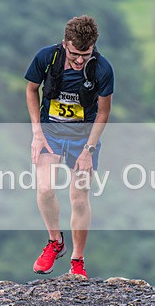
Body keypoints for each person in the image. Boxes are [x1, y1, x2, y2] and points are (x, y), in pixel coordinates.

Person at [25, 15, 114, 279]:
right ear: (65, 43)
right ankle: (55, 242)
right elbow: (32, 90)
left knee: (79, 198)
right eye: (74, 53)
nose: (78, 60)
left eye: (85, 55)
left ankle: (77, 260)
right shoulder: (46, 58)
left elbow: (103, 113)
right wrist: (36, 133)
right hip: (49, 132)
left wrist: (88, 150)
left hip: (83, 137)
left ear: (93, 47)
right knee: (44, 189)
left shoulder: (102, 69)